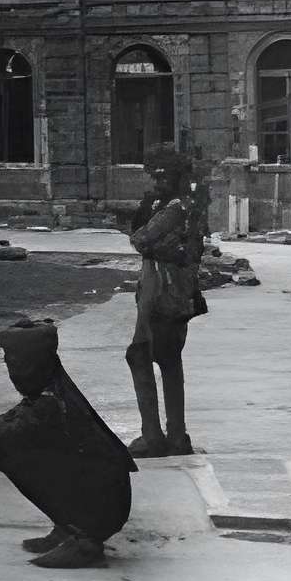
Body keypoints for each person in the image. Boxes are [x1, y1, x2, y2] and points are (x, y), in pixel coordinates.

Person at [0, 317, 136, 569]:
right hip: (109, 502)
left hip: (104, 511)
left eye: (13, 362)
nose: (10, 369)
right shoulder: (56, 389)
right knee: (11, 442)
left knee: (10, 450)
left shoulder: (48, 405)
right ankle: (68, 527)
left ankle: (84, 536)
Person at [122, 150, 210, 457]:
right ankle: (176, 436)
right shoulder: (187, 205)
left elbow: (140, 240)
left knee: (140, 356)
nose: (157, 181)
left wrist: (153, 235)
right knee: (170, 361)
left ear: (176, 178)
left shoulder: (175, 208)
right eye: (154, 175)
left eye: (163, 176)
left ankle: (152, 437)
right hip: (177, 292)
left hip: (162, 292)